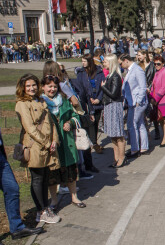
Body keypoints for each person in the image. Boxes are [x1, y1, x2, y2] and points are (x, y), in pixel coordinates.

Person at [15, 74, 60, 225]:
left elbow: (51, 123)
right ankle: (41, 211)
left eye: (33, 85)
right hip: (34, 146)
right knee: (37, 179)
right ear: (22, 87)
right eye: (28, 86)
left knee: (45, 177)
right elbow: (30, 128)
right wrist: (47, 143)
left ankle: (45, 208)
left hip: (47, 145)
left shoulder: (41, 100)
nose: (31, 88)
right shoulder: (22, 103)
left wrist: (55, 140)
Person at [41, 75, 86, 212]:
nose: (52, 89)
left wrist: (70, 123)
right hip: (51, 143)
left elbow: (76, 116)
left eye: (55, 86)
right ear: (43, 87)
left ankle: (74, 197)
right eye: (49, 86)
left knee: (71, 170)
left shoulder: (64, 101)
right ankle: (54, 200)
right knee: (52, 174)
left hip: (66, 142)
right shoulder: (40, 103)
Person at [119, 54, 149, 158]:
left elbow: (142, 86)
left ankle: (135, 149)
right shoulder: (130, 70)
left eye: (121, 63)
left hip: (137, 102)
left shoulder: (137, 70)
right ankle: (143, 147)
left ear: (126, 60)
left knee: (132, 124)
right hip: (132, 101)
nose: (121, 65)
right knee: (139, 124)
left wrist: (139, 100)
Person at [75, 54, 105, 157]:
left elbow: (103, 86)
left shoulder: (99, 71)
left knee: (95, 122)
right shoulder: (81, 73)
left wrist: (98, 99)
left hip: (97, 101)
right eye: (82, 61)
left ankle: (94, 141)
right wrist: (88, 99)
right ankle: (93, 143)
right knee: (90, 122)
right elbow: (80, 88)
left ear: (90, 62)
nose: (83, 63)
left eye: (84, 61)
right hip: (87, 102)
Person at [100, 54, 126, 168]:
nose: (103, 63)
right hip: (109, 105)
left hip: (114, 106)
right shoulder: (110, 75)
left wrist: (103, 87)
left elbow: (114, 94)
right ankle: (116, 158)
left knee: (118, 134)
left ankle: (121, 157)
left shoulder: (115, 76)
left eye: (105, 61)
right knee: (113, 135)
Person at [150, 56, 165, 147]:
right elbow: (153, 86)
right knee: (159, 119)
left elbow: (164, 87)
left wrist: (156, 98)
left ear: (163, 63)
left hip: (164, 100)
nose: (156, 65)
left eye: (158, 64)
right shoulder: (156, 73)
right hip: (156, 100)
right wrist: (151, 96)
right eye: (155, 64)